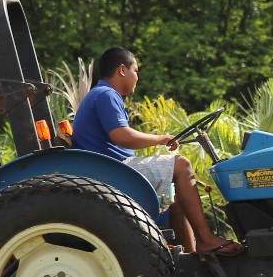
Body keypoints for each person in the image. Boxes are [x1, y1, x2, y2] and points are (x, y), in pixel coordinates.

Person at [72, 46, 240, 256]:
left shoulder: (101, 94)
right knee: (182, 165)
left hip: (112, 169)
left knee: (178, 202)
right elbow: (122, 136)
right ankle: (206, 238)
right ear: (122, 70)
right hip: (113, 173)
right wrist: (161, 139)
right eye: (136, 71)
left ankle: (193, 256)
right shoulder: (106, 94)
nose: (137, 77)